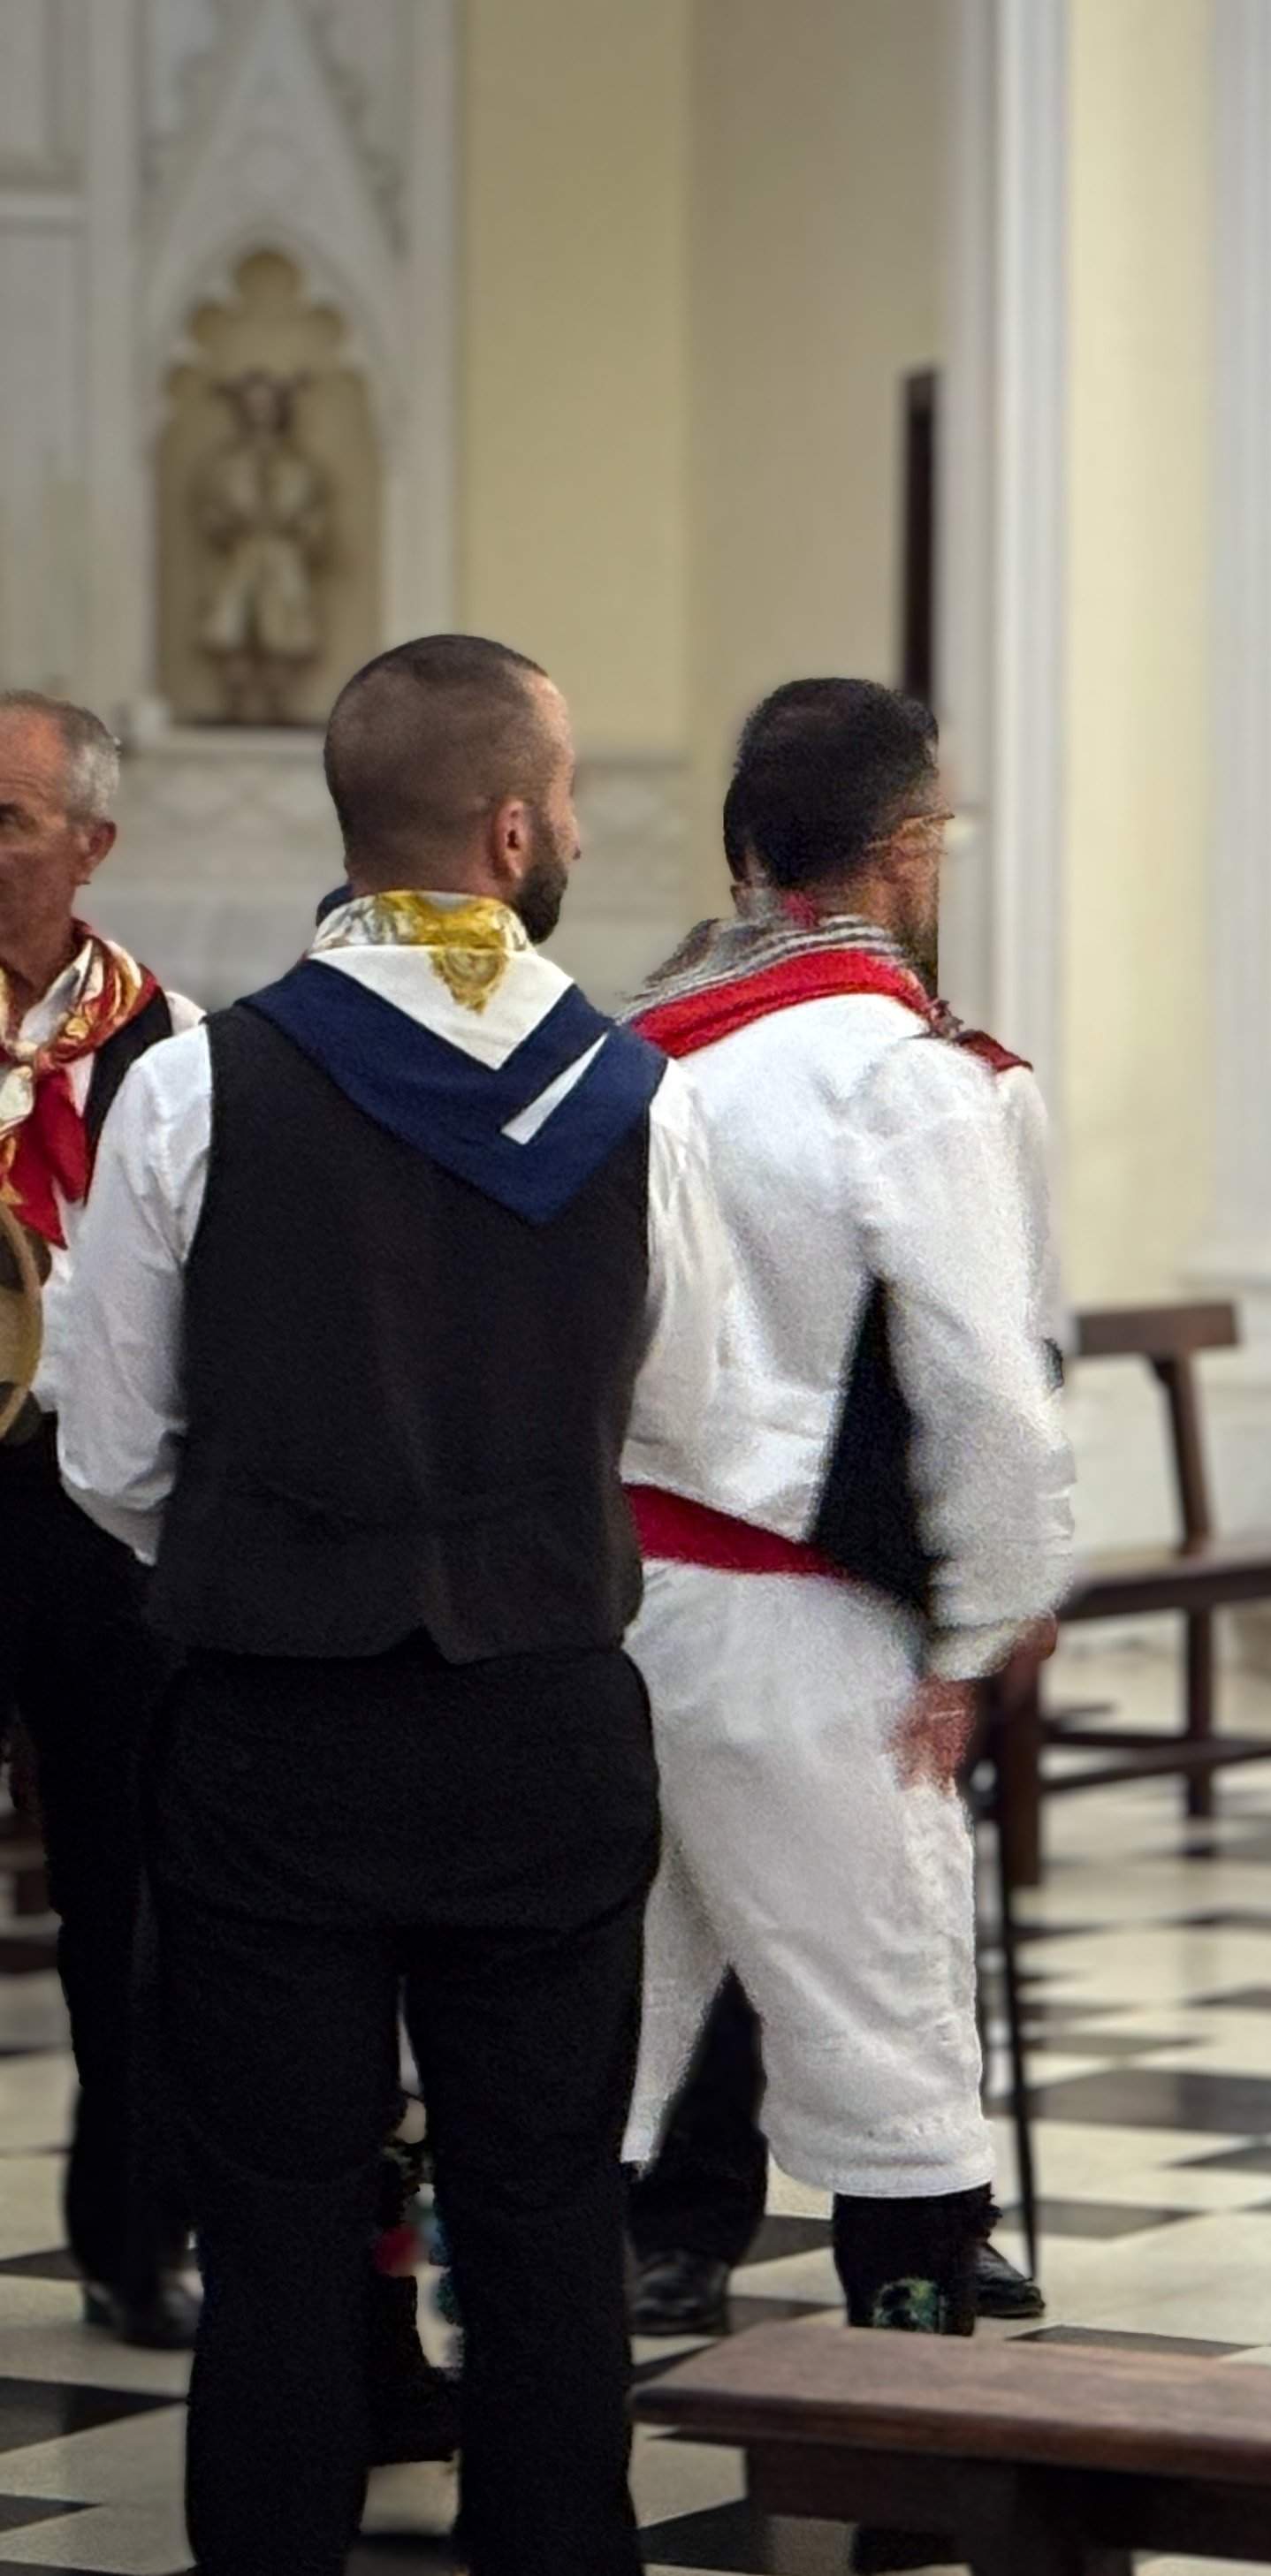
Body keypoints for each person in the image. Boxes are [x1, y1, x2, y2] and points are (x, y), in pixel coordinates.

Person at [43, 634, 730, 2572]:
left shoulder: (198, 1083)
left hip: (276, 1721)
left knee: (273, 2229)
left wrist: (288, 1539)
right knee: (542, 2223)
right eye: (573, 794)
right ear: (515, 833)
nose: (579, 824)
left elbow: (108, 1449)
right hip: (538, 1713)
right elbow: (683, 1414)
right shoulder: (642, 1099)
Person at [618, 679, 1071, 2366]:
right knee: (886, 2044)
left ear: (748, 851)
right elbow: (988, 1391)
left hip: (607, 1602)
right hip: (807, 1623)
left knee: (602, 2035)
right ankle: (912, 2470)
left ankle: (537, 2427)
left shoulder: (632, 1047)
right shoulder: (902, 1078)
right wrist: (982, 1623)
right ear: (908, 848)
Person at [0, 694, 199, 2353]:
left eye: (5, 820)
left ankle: (137, 2237)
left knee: (130, 1888)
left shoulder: (167, 1049)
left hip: (88, 1504)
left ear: (89, 846)